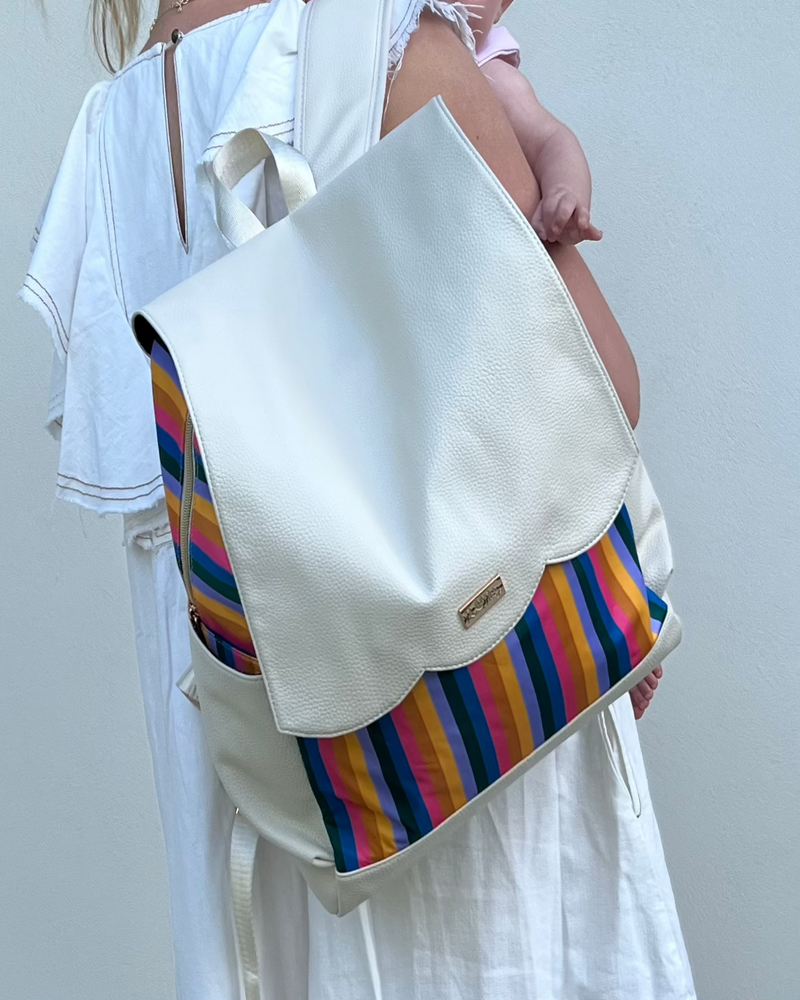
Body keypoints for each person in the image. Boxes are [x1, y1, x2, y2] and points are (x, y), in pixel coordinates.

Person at [22, 1, 696, 997]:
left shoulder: (111, 128)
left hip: (288, 806)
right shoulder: (378, 44)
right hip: (473, 759)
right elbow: (600, 384)